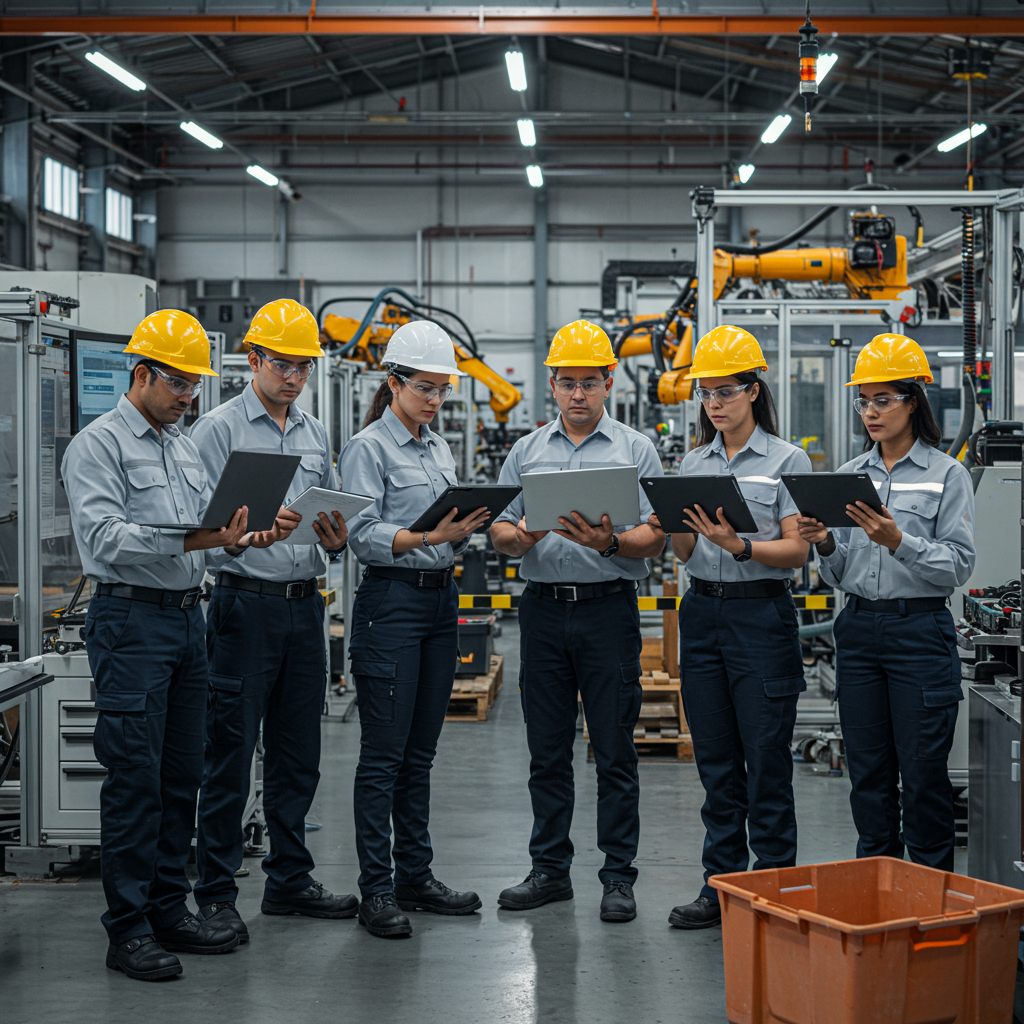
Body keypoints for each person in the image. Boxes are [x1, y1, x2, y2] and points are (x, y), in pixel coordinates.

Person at [63, 310, 290, 981]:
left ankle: (168, 908)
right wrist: (201, 538)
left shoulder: (182, 446)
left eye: (195, 384)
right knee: (135, 779)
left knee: (180, 776)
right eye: (179, 383)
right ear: (142, 374)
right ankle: (128, 929)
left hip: (190, 622)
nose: (190, 396)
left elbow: (206, 538)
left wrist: (243, 538)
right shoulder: (98, 446)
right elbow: (105, 539)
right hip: (130, 624)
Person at [490, 319, 665, 924]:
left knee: (614, 749)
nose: (578, 394)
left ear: (609, 382)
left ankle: (618, 877)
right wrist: (521, 536)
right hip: (542, 611)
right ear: (553, 385)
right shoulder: (527, 451)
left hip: (608, 610)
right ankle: (549, 871)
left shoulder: (636, 450)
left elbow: (656, 535)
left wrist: (610, 542)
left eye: (590, 382)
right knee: (547, 750)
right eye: (568, 383)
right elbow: (499, 529)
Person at [190, 299, 354, 942]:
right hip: (242, 606)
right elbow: (196, 533)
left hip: (304, 606)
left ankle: (289, 880)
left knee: (298, 753)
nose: (294, 377)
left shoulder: (314, 433)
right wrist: (239, 540)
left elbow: (328, 516)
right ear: (253, 359)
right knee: (230, 752)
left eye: (303, 366)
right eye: (283, 364)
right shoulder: (217, 430)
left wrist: (336, 538)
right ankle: (216, 893)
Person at [796, 334, 975, 872]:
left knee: (922, 777)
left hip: (919, 633)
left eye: (882, 400)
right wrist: (826, 544)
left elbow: (958, 566)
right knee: (868, 776)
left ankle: (929, 896)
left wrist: (899, 541)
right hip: (858, 631)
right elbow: (841, 573)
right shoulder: (849, 476)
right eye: (863, 402)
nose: (870, 412)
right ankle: (875, 891)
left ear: (913, 402)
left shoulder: (947, 475)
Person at [339, 320, 488, 938]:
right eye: (424, 387)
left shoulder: (438, 448)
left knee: (420, 755)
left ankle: (415, 877)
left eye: (442, 389)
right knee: (383, 756)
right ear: (394, 382)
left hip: (438, 604)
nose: (434, 399)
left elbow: (443, 526)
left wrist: (466, 528)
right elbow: (360, 535)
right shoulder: (368, 448)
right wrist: (430, 535)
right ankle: (376, 890)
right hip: (391, 604)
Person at [664, 325, 811, 931]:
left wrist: (739, 545)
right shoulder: (692, 462)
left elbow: (798, 551)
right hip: (703, 614)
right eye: (706, 393)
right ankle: (720, 886)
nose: (714, 403)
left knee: (766, 758)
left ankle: (773, 888)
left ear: (753, 390)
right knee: (717, 761)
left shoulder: (787, 460)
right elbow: (683, 552)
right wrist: (671, 522)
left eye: (725, 391)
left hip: (761, 616)